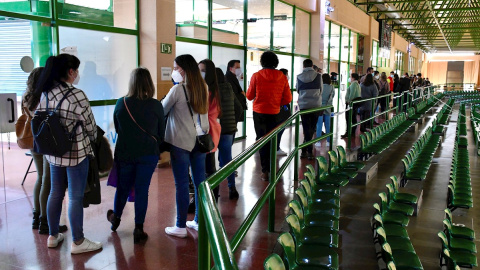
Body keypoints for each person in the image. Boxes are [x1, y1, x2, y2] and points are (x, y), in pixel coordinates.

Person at [34, 54, 101, 253]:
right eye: (76, 70)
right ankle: (78, 242)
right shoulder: (77, 95)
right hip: (76, 154)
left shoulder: (45, 94)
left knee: (55, 193)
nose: (78, 74)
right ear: (70, 72)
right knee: (75, 197)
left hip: (53, 154)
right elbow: (91, 128)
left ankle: (53, 236)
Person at [106, 67, 165, 244]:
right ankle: (138, 228)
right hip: (148, 154)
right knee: (142, 190)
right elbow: (161, 133)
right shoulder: (156, 105)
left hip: (125, 152)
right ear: (149, 83)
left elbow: (117, 128)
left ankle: (115, 220)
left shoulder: (121, 103)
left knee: (122, 188)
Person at [162, 54, 209, 237]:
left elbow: (163, 109)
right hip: (200, 140)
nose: (174, 72)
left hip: (181, 141)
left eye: (175, 68)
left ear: (183, 69)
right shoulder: (203, 87)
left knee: (181, 183)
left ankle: (180, 225)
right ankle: (197, 220)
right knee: (199, 183)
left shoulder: (178, 90)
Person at [23, 67, 69, 235]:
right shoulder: (45, 96)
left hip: (33, 141)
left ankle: (37, 217)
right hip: (46, 141)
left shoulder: (27, 97)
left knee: (40, 178)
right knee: (48, 182)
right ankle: (45, 221)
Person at [246, 51, 292, 181]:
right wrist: (277, 103)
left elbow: (249, 96)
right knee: (273, 140)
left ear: (262, 62)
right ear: (275, 62)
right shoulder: (282, 76)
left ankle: (264, 171)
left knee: (261, 140)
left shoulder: (256, 76)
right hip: (275, 113)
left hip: (259, 113)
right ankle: (272, 169)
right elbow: (288, 98)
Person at [198, 59, 222, 200]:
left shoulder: (208, 91)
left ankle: (211, 197)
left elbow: (203, 110)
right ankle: (212, 196)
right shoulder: (214, 89)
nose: (200, 73)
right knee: (209, 166)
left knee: (209, 168)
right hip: (212, 130)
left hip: (208, 131)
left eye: (203, 70)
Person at [215, 68, 239, 199]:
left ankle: (214, 191)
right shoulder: (229, 88)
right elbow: (239, 107)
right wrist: (233, 121)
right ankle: (232, 187)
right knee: (228, 160)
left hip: (215, 129)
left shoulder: (212, 90)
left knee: (209, 162)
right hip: (229, 129)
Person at [296, 59, 322, 159]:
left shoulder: (299, 77)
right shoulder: (318, 76)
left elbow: (298, 90)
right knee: (312, 128)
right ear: (312, 66)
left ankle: (304, 150)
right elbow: (321, 90)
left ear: (303, 66)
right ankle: (309, 151)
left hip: (304, 105)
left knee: (306, 128)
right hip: (316, 105)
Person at [225, 60, 247, 128]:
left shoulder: (233, 77)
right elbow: (232, 95)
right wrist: (242, 94)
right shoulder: (228, 79)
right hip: (232, 111)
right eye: (237, 68)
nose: (239, 70)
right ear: (231, 68)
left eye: (239, 68)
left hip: (235, 110)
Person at [316, 73, 335, 147]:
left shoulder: (319, 87)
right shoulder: (332, 87)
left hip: (320, 108)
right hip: (328, 108)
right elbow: (332, 97)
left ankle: (318, 141)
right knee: (328, 125)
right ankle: (328, 141)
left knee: (319, 125)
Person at [341, 73, 362, 139]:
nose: (350, 78)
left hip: (351, 103)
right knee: (353, 117)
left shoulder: (353, 84)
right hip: (355, 103)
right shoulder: (357, 84)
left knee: (349, 117)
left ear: (353, 78)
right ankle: (352, 132)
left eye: (350, 77)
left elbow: (352, 94)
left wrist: (349, 102)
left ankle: (348, 132)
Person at [277, 68, 291, 157]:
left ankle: (275, 147)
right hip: (281, 110)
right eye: (287, 74)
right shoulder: (283, 84)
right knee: (279, 129)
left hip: (278, 110)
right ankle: (276, 148)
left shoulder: (276, 83)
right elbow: (287, 97)